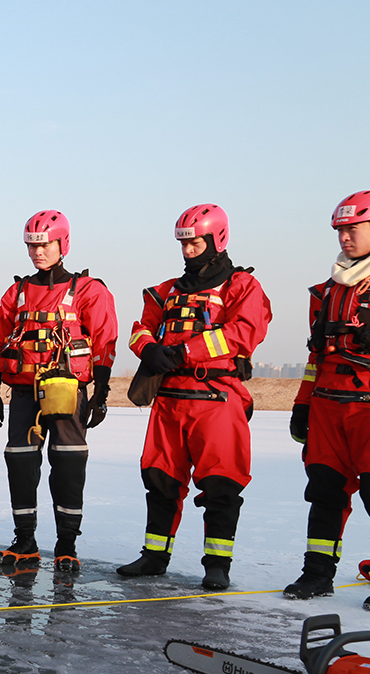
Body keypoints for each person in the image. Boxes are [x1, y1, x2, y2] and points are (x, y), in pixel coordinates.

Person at [116, 205, 271, 590]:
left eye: (195, 241)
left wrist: (188, 352)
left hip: (217, 398)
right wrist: (149, 349)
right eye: (183, 242)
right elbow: (140, 329)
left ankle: (217, 563)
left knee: (221, 483)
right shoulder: (165, 291)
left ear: (217, 239)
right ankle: (154, 556)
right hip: (169, 398)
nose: (187, 250)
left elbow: (243, 332)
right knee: (159, 477)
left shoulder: (241, 286)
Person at [0, 210, 118, 571]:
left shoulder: (90, 291)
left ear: (63, 244)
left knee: (69, 466)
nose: (37, 253)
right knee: (21, 465)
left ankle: (66, 544)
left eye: (44, 245)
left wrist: (101, 394)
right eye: (32, 246)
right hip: (25, 396)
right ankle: (25, 540)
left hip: (68, 393)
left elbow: (105, 342)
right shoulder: (18, 292)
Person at [286, 190, 370, 611]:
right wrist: (302, 403)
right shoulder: (331, 289)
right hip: (328, 406)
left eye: (353, 228)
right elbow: (317, 355)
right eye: (340, 230)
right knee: (325, 491)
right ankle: (317, 573)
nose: (344, 237)